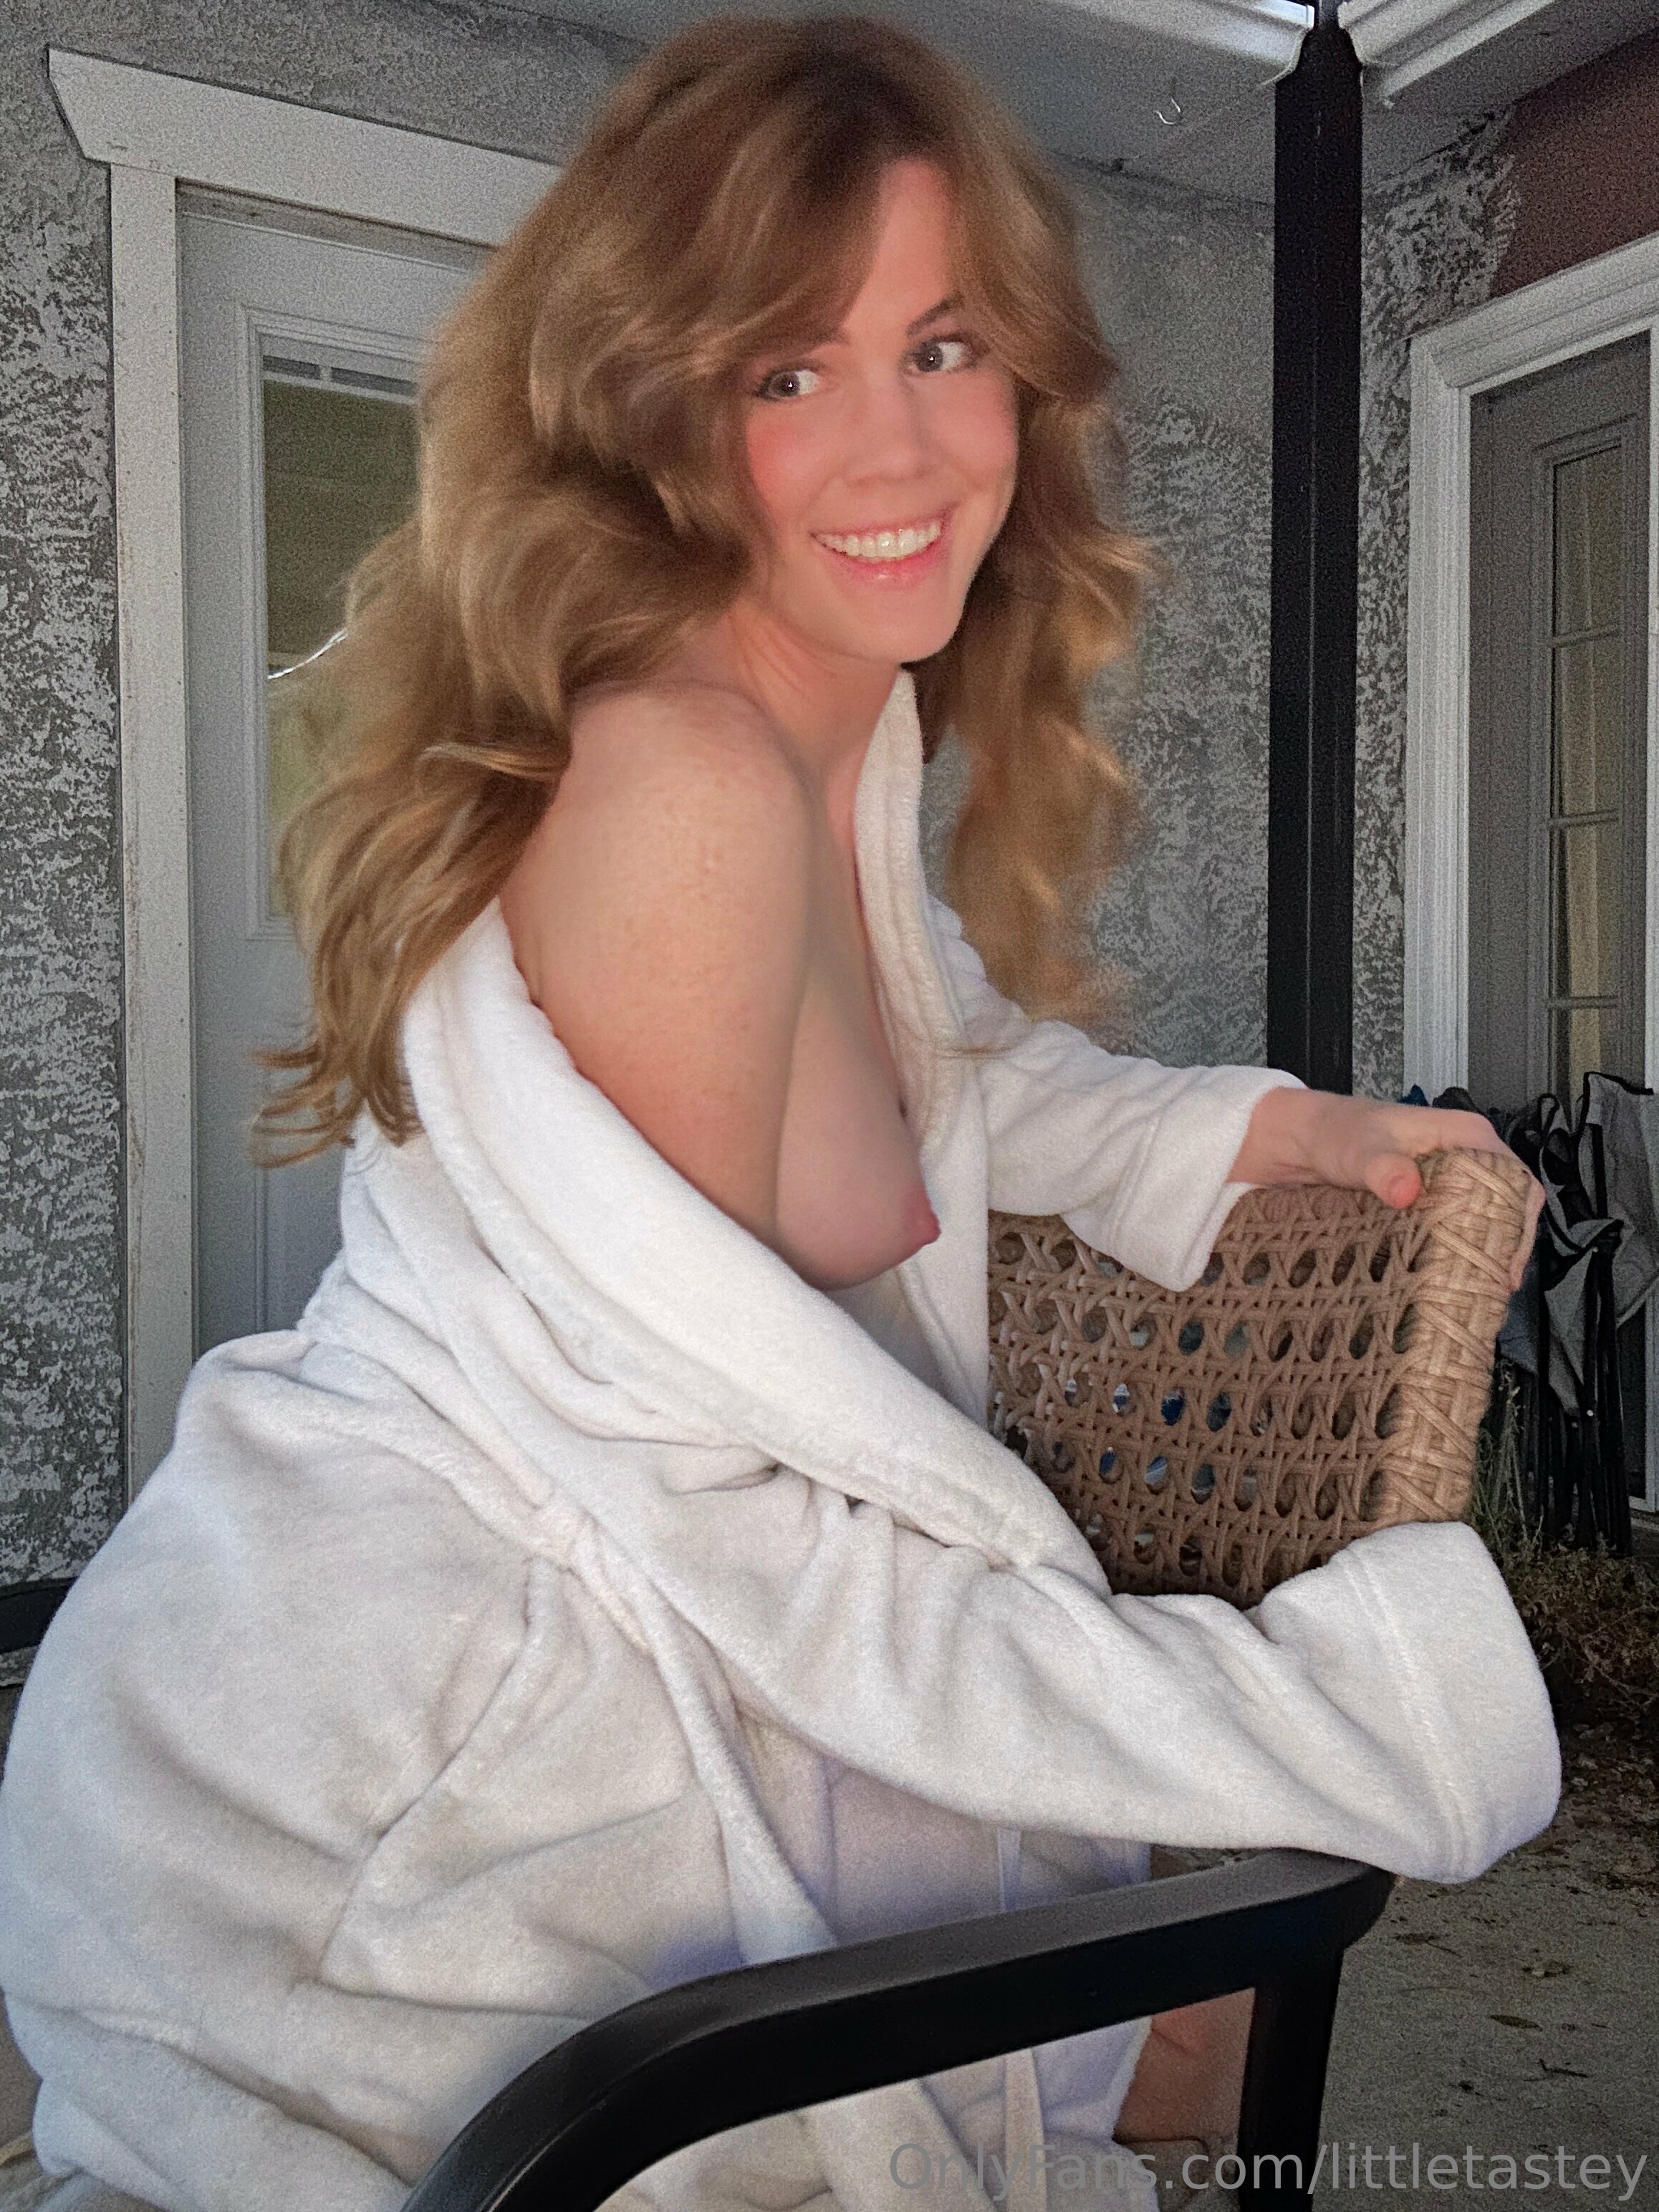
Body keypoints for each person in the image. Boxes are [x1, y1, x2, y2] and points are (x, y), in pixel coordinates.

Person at [0, 17, 1555, 2212]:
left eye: (940, 345)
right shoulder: (683, 784)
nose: (892, 445)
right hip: (408, 1763)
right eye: (786, 369)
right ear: (650, 409)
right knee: (1179, 2042)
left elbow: (941, 1066)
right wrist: (1335, 1711)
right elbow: (748, 1552)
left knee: (1174, 2037)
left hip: (614, 1638)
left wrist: (1243, 1134)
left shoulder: (829, 725)